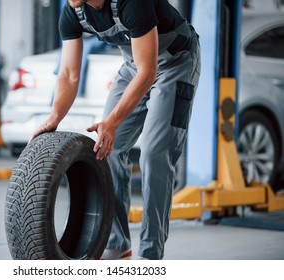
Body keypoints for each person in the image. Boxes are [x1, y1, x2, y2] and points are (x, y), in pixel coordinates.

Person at [31, 0, 201, 260]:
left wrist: (112, 121)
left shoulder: (132, 3)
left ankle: (150, 254)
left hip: (176, 64)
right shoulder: (72, 13)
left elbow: (148, 72)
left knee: (154, 155)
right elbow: (68, 73)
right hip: (136, 66)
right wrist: (55, 116)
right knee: (106, 149)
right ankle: (117, 243)